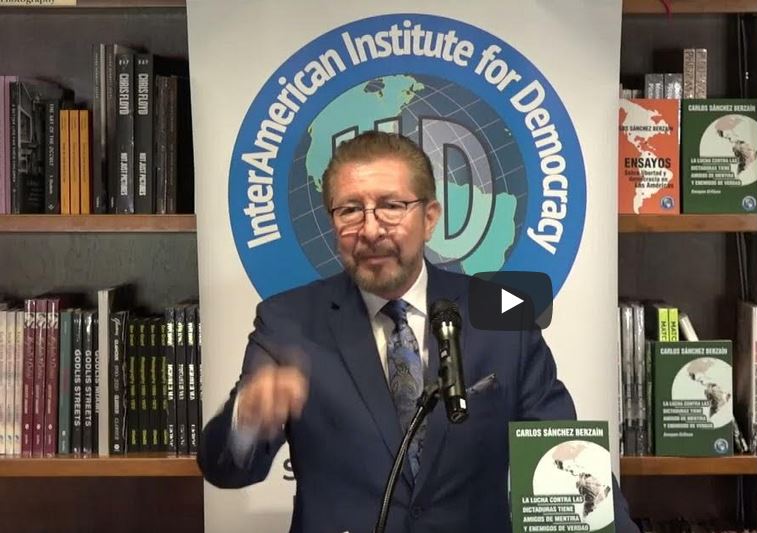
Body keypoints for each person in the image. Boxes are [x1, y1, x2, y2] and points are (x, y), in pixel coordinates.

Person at [198, 131, 639, 532]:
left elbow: (563, 452)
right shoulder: (289, 321)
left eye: (391, 206)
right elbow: (226, 470)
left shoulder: (502, 316)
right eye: (350, 210)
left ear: (430, 217)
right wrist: (246, 419)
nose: (371, 229)